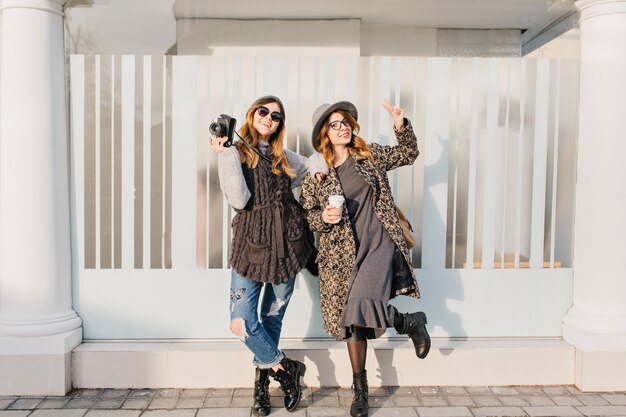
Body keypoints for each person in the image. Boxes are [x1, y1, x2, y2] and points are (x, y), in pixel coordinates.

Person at [299, 100, 431, 417]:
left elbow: (408, 154)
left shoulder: (368, 155)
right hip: (339, 256)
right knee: (353, 322)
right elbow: (306, 216)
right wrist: (324, 219)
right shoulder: (316, 172)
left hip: (378, 241)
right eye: (334, 124)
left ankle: (409, 324)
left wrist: (401, 123)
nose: (343, 127)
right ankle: (363, 389)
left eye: (346, 121)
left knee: (359, 306)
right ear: (324, 134)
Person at [208, 95, 322, 416]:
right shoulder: (235, 152)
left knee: (272, 319)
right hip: (250, 249)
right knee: (241, 322)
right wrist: (226, 154)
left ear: (279, 125)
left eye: (276, 116)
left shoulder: (282, 156)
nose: (269, 118)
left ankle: (262, 383)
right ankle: (285, 370)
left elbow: (313, 164)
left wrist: (319, 171)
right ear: (251, 113)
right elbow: (240, 200)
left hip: (288, 247)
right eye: (264, 111)